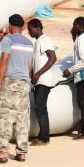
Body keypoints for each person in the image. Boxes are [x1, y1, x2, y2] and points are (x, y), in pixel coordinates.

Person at [0, 14, 33, 163]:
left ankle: (2, 151)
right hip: (25, 83)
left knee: (3, 116)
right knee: (22, 118)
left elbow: (4, 59)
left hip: (11, 81)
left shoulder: (8, 39)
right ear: (23, 26)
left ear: (10, 26)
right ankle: (21, 153)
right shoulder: (29, 43)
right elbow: (30, 66)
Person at [27, 18, 57, 146]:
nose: (29, 32)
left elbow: (53, 57)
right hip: (38, 80)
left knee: (40, 108)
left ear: (38, 27)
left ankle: (44, 138)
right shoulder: (37, 42)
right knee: (39, 108)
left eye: (30, 29)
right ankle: (42, 135)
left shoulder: (44, 40)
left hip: (43, 80)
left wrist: (38, 74)